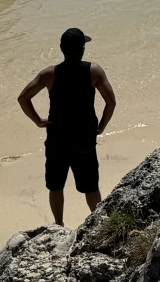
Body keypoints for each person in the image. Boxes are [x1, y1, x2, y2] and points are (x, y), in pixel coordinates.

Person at [17, 28, 117, 226]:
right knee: (91, 186)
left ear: (61, 48)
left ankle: (59, 225)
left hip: (57, 138)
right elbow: (111, 102)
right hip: (84, 138)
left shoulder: (49, 74)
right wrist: (101, 126)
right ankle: (99, 225)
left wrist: (37, 120)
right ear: (82, 49)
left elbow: (23, 98)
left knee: (55, 186)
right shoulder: (94, 71)